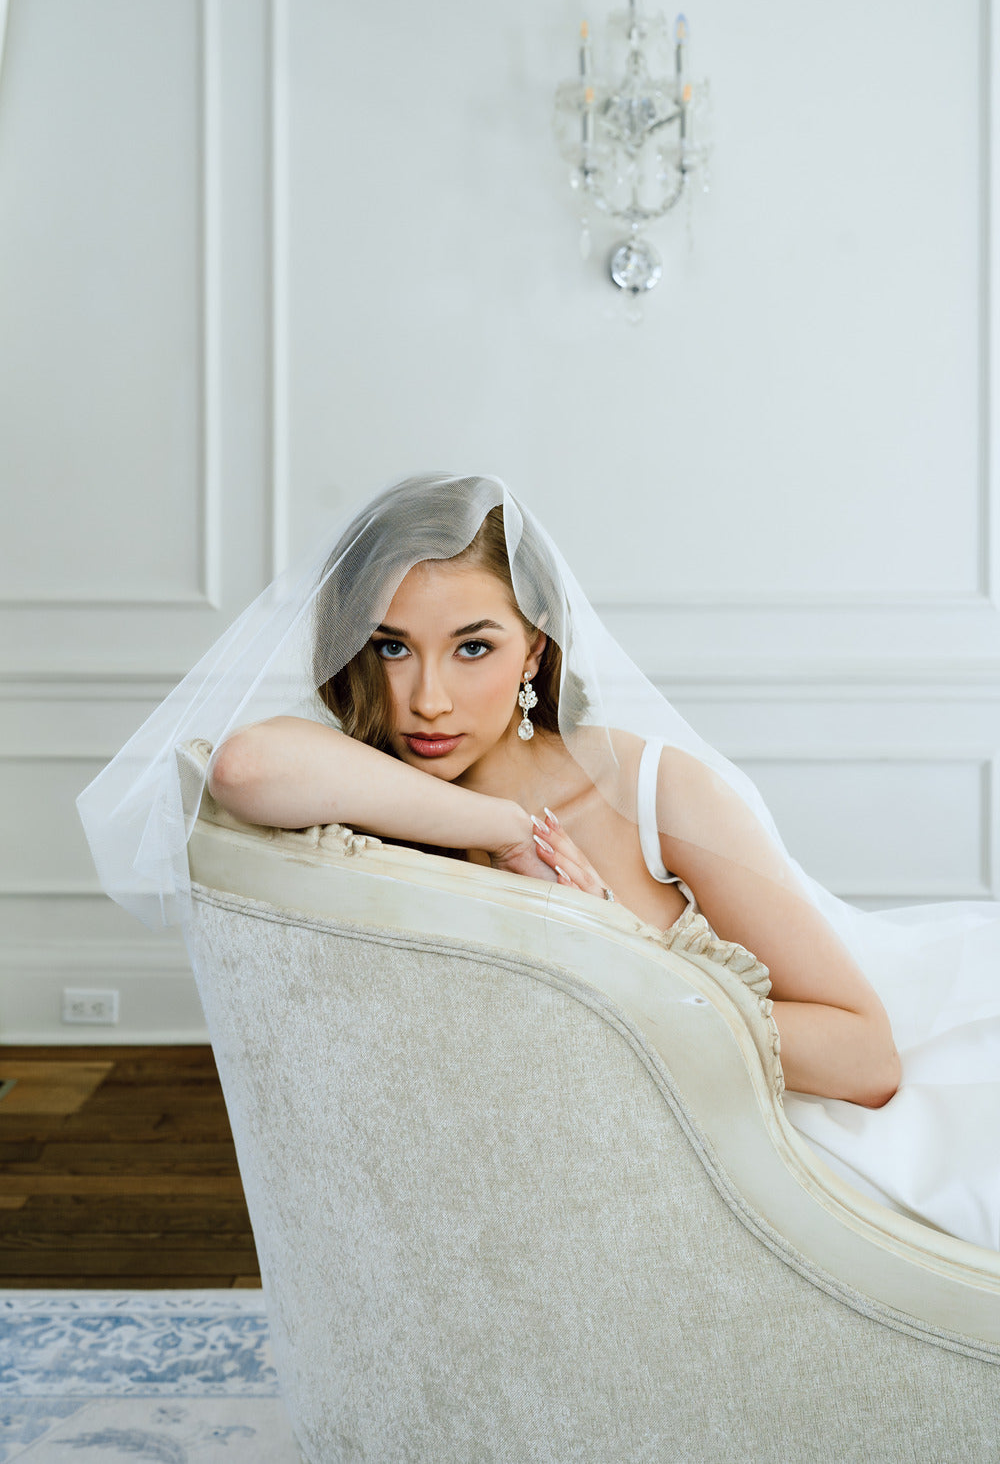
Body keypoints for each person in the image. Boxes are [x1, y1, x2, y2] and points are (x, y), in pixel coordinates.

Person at [78, 473, 1000, 1250]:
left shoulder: (654, 792)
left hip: (823, 1120)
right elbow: (245, 766)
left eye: (473, 647)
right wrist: (502, 824)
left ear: (536, 651)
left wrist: (621, 952)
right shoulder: (378, 794)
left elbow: (867, 1059)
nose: (426, 699)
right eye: (390, 646)